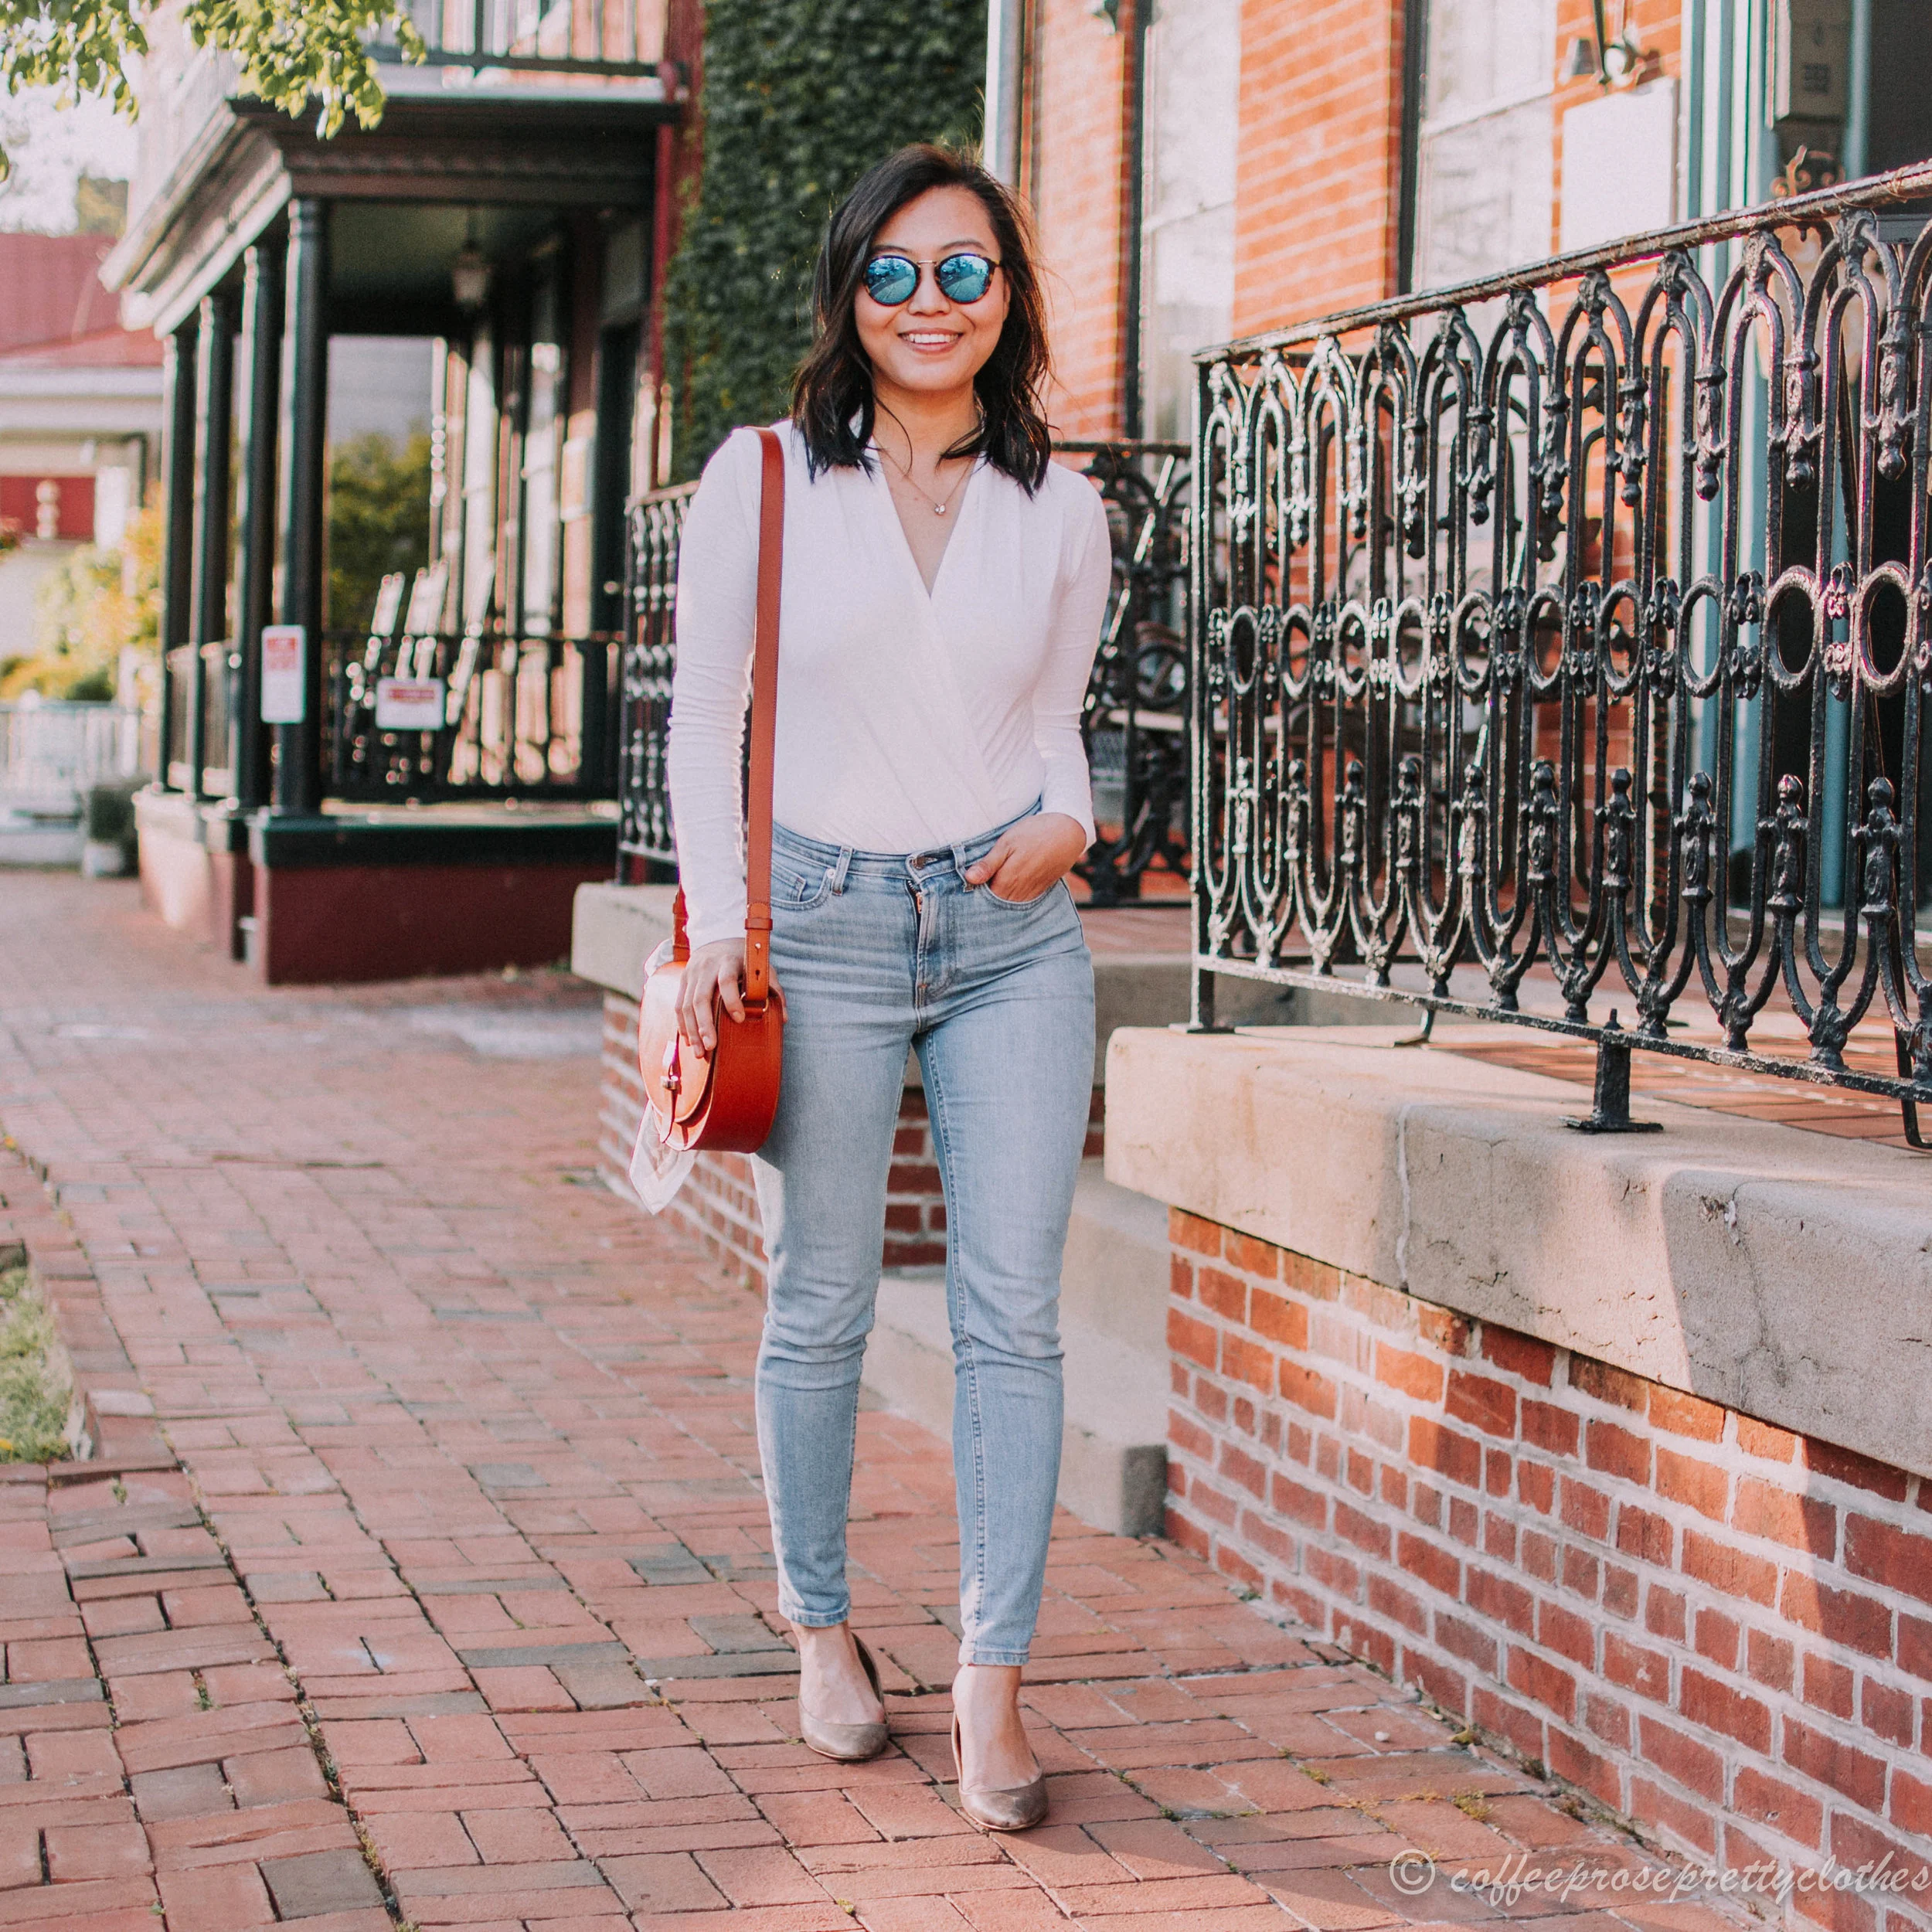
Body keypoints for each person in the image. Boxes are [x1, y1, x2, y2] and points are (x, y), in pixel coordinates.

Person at [665, 143, 1111, 1832]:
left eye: (967, 271)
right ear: (850, 292)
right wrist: (716, 920)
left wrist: (1071, 821)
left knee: (1008, 1314)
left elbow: (1055, 719)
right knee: (824, 1299)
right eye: (897, 273)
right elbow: (703, 720)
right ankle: (822, 1624)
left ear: (1009, 296)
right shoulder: (764, 475)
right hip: (817, 929)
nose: (933, 304)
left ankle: (991, 1675)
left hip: (1010, 938)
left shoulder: (1055, 506)